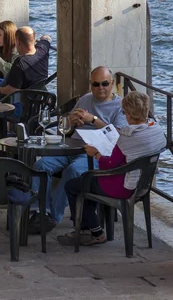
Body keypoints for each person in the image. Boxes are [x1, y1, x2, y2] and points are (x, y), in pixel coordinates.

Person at [57, 91, 167, 246]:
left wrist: (95, 153)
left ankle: (91, 231)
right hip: (142, 184)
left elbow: (108, 165)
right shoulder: (155, 130)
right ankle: (91, 228)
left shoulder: (127, 137)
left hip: (123, 186)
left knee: (74, 185)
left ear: (128, 114)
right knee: (86, 181)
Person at [27, 66, 128, 234]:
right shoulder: (85, 99)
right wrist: (70, 122)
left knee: (74, 171)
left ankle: (52, 215)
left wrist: (93, 119)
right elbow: (64, 129)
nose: (100, 88)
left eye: (104, 84)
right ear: (90, 84)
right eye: (96, 84)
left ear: (111, 84)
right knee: (41, 166)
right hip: (72, 146)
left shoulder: (119, 106)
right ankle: (39, 210)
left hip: (96, 152)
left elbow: (118, 136)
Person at [0, 26, 51, 97]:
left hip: (24, 101)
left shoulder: (20, 62)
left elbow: (12, 90)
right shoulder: (43, 50)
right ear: (34, 40)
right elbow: (47, 38)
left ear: (18, 42)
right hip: (39, 97)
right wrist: (44, 38)